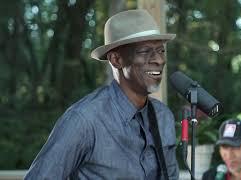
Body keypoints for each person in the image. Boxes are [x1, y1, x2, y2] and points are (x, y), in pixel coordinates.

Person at [24, 9, 179, 180]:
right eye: (144, 51)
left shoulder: (163, 117)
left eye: (161, 50)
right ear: (116, 59)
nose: (159, 60)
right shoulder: (84, 120)